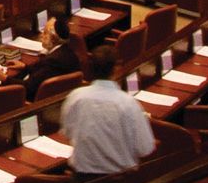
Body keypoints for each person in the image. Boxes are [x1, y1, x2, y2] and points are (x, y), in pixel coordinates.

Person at [59, 45, 155, 176]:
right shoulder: (128, 103)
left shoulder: (75, 97)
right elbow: (145, 148)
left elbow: (68, 134)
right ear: (116, 68)